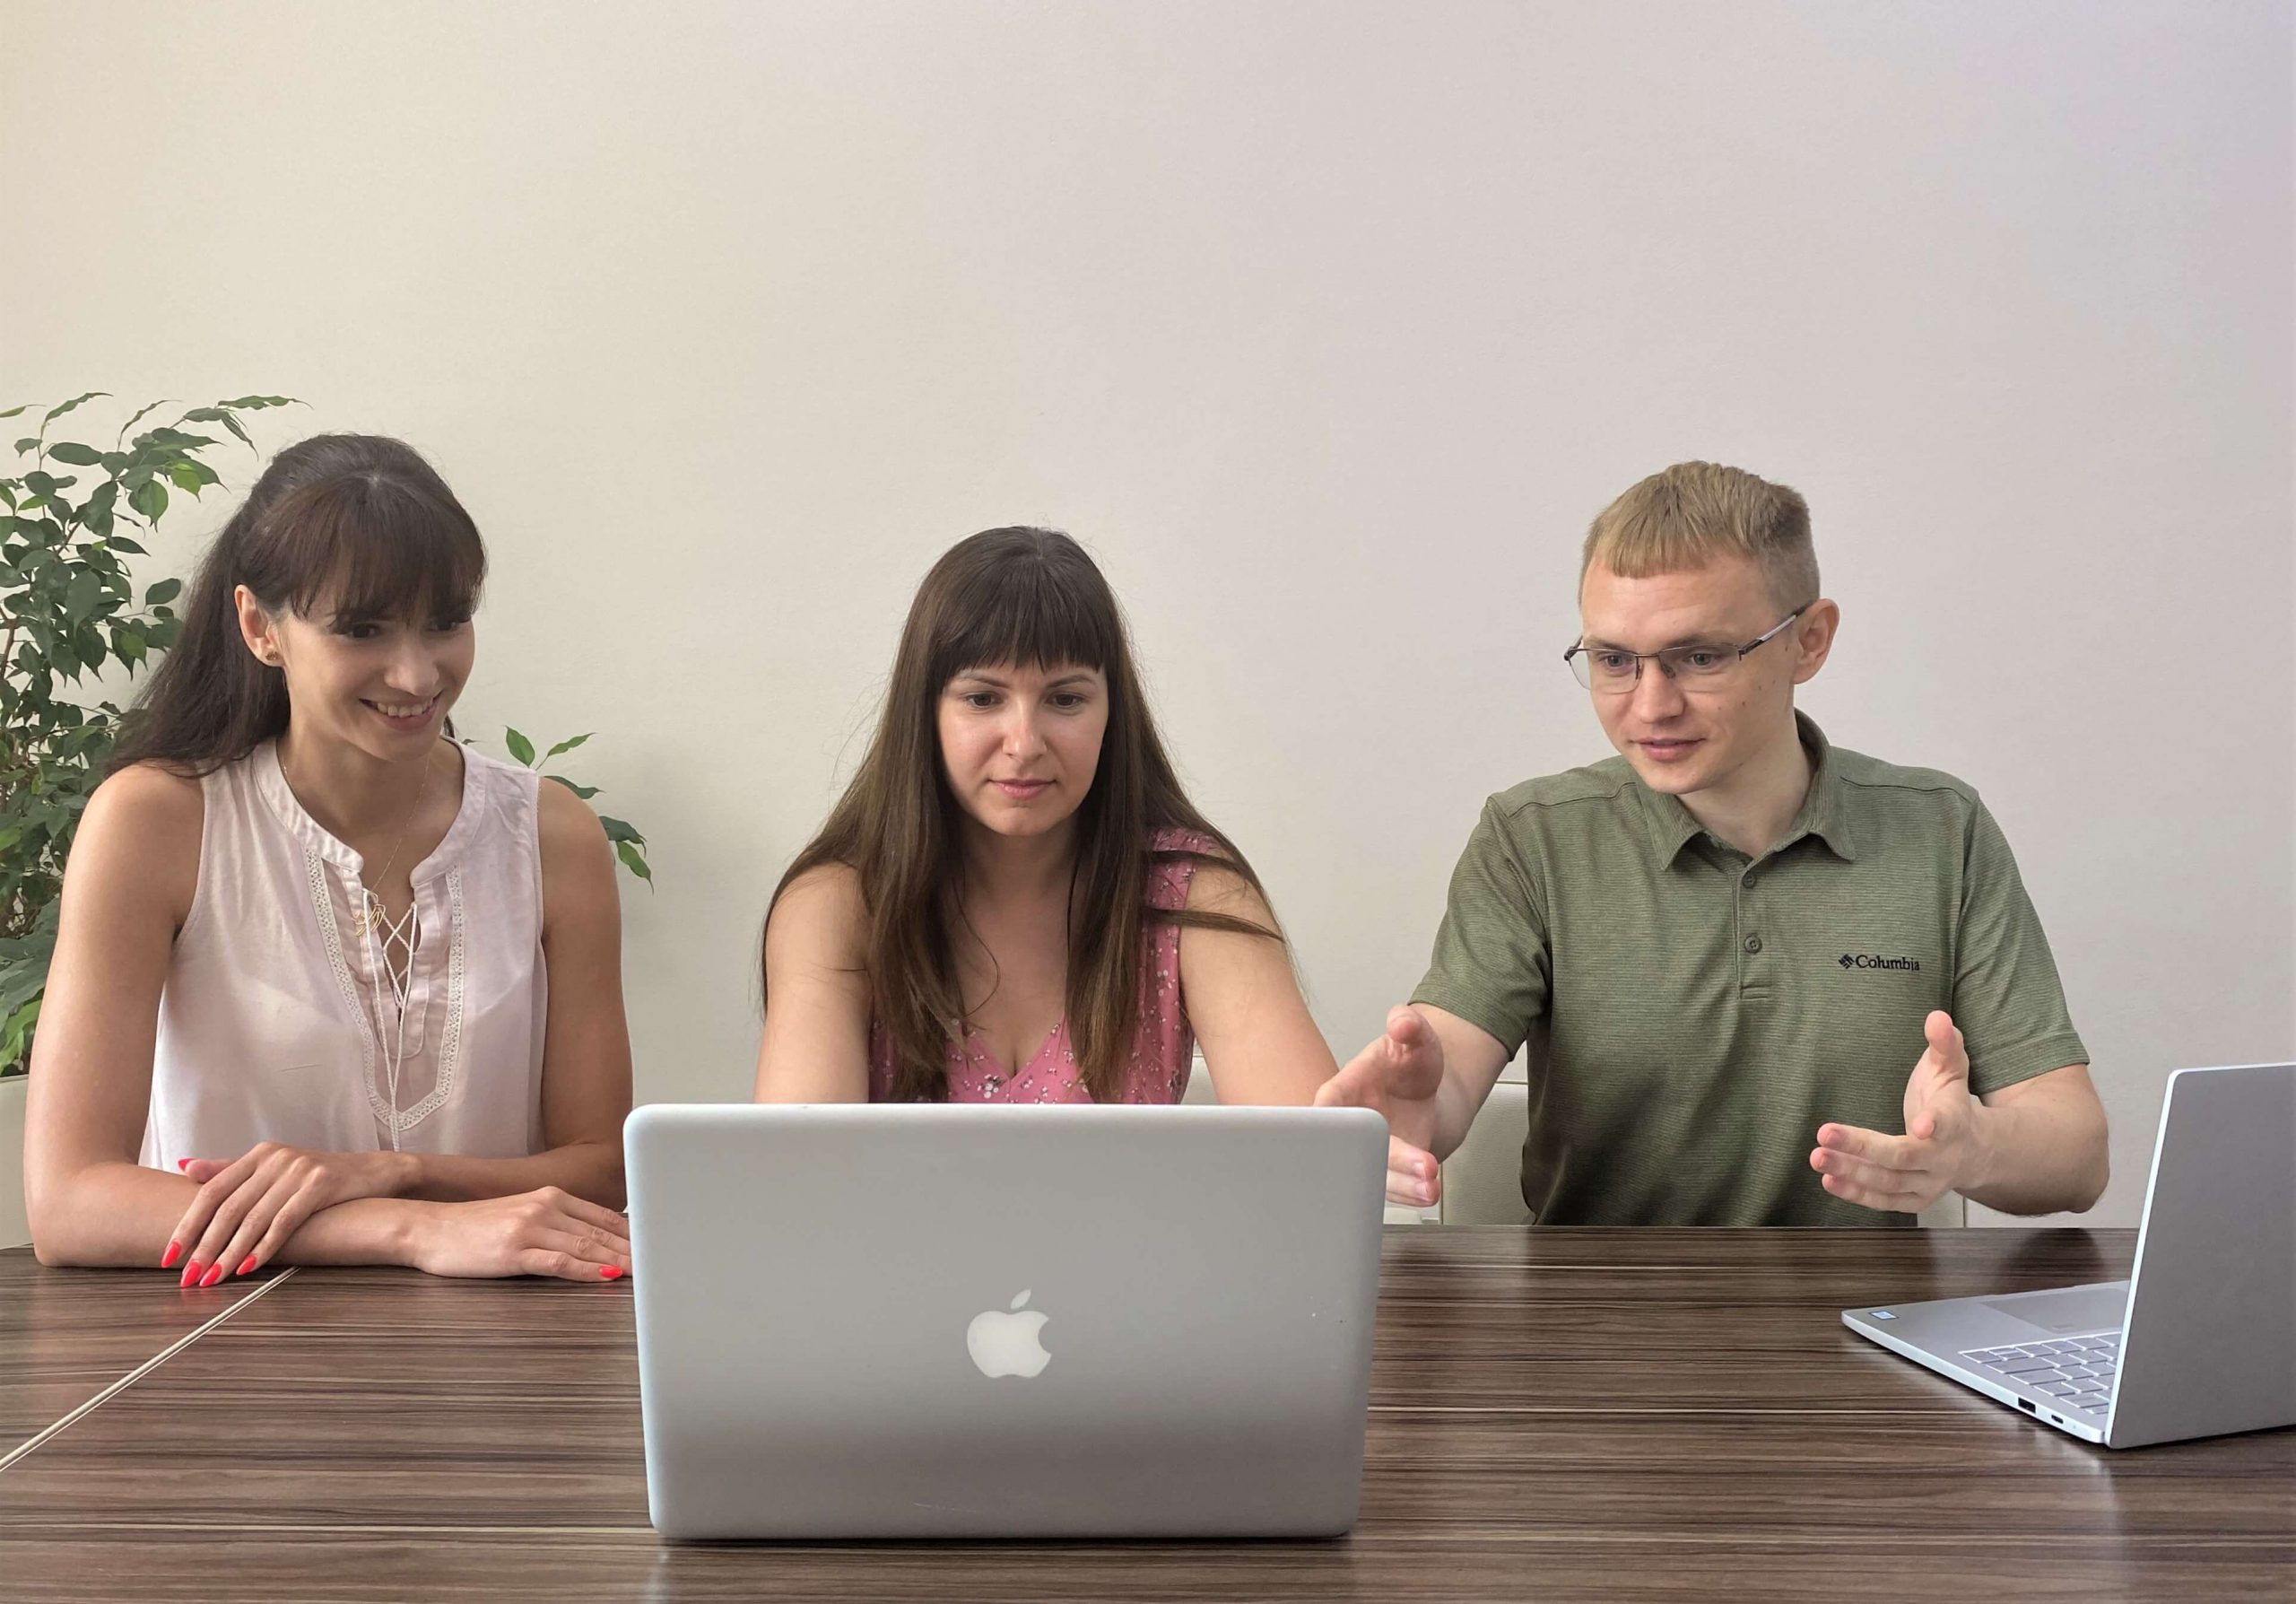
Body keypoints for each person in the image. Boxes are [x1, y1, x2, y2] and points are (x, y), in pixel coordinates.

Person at [1321, 461, 2109, 1225]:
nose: (1650, 706)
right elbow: (1451, 1064)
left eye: (1699, 657)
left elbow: (2077, 1154)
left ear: (1810, 641)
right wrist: (1418, 1108)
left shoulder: (1941, 830)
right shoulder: (1532, 837)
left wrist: (1972, 1150)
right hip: (1595, 1308)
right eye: (1614, 660)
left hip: (1869, 1308)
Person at [26, 434, 634, 1283]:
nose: (416, 673)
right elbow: (71, 1201)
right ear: (259, 627)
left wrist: (395, 1171)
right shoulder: (155, 822)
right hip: (221, 1336)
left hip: (500, 1337)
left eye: (446, 621)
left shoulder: (550, 833)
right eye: (360, 629)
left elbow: (603, 1169)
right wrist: (405, 1228)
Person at [754, 527, 1335, 1105]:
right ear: (924, 712)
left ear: (1112, 713)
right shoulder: (836, 905)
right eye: (983, 699)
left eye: (1065, 699)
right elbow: (800, 1159)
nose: (1024, 744)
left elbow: (1315, 1148)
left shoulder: (1194, 894)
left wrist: (1374, 1124)